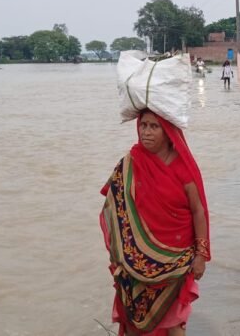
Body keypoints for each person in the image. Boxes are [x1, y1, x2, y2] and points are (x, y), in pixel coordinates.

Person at [99, 109, 211, 336]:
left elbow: (198, 210)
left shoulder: (183, 167)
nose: (146, 132)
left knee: (174, 322)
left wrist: (201, 255)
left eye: (154, 126)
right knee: (133, 320)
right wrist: (122, 252)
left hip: (177, 261)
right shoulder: (130, 163)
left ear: (167, 131)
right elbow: (114, 207)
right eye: (143, 125)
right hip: (135, 262)